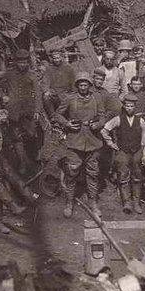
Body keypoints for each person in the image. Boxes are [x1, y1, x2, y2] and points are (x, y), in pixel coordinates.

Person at [52, 71, 106, 219]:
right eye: (80, 84)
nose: (83, 87)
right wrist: (67, 123)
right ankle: (69, 202)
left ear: (90, 85)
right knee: (71, 173)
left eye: (86, 84)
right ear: (77, 85)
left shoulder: (97, 98)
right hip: (75, 141)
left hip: (93, 141)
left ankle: (93, 202)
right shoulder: (70, 99)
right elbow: (57, 115)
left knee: (93, 174)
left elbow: (103, 115)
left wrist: (99, 125)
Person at [100, 94, 145, 214]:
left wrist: (144, 154)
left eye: (132, 106)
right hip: (122, 152)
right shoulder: (118, 119)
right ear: (124, 106)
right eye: (127, 106)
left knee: (137, 177)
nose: (129, 108)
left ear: (135, 107)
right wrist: (111, 143)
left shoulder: (140, 120)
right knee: (123, 177)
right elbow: (104, 130)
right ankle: (126, 202)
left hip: (137, 151)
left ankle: (136, 203)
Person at [2, 49, 41, 176]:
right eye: (20, 62)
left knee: (31, 135)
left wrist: (37, 110)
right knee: (16, 137)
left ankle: (33, 160)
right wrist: (4, 96)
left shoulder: (32, 75)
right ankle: (23, 164)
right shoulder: (9, 74)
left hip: (28, 111)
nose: (22, 65)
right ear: (16, 62)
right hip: (14, 112)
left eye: (24, 62)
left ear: (27, 62)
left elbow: (37, 93)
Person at [42, 48, 76, 113]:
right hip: (55, 93)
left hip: (65, 93)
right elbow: (45, 81)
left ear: (61, 57)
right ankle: (52, 116)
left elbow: (73, 82)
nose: (56, 60)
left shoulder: (68, 68)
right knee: (46, 96)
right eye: (54, 58)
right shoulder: (49, 69)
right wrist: (46, 90)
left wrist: (73, 92)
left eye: (58, 58)